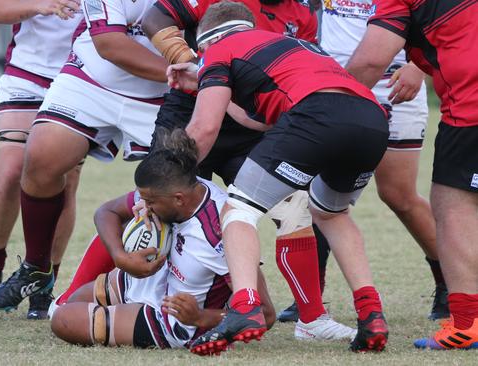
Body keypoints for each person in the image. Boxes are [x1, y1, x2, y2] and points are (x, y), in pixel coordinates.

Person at [167, 2, 390, 354]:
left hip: (317, 115)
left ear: (207, 42)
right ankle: (371, 312)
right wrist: (203, 81)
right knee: (332, 213)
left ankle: (245, 306)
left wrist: (171, 174)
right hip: (371, 118)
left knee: (239, 209)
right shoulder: (293, 46)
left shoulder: (217, 51)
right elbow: (265, 118)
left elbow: (204, 128)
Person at [0, 0, 170, 314]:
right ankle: (20, 268)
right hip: (80, 73)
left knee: (179, 189)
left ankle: (55, 283)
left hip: (158, 87)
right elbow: (110, 44)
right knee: (34, 161)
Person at [51, 130, 275, 350]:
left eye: (149, 202)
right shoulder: (173, 188)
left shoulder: (221, 232)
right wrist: (121, 258)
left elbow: (265, 313)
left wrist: (200, 317)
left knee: (63, 319)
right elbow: (106, 212)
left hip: (172, 320)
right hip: (149, 280)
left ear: (178, 199)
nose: (143, 207)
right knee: (71, 301)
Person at [295, 0, 448, 322]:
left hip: (394, 85)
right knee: (310, 191)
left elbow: (445, 19)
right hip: (330, 82)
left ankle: (449, 281)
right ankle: (309, 297)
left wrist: (421, 67)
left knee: (398, 195)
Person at [345, 0, 478, 351]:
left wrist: (325, 99)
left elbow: (372, 59)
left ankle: (467, 323)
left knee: (455, 206)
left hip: (471, 101)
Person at [0, 0, 83, 320]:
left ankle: (44, 282)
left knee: (65, 184)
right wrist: (39, 5)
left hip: (79, 77)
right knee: (9, 173)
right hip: (28, 71)